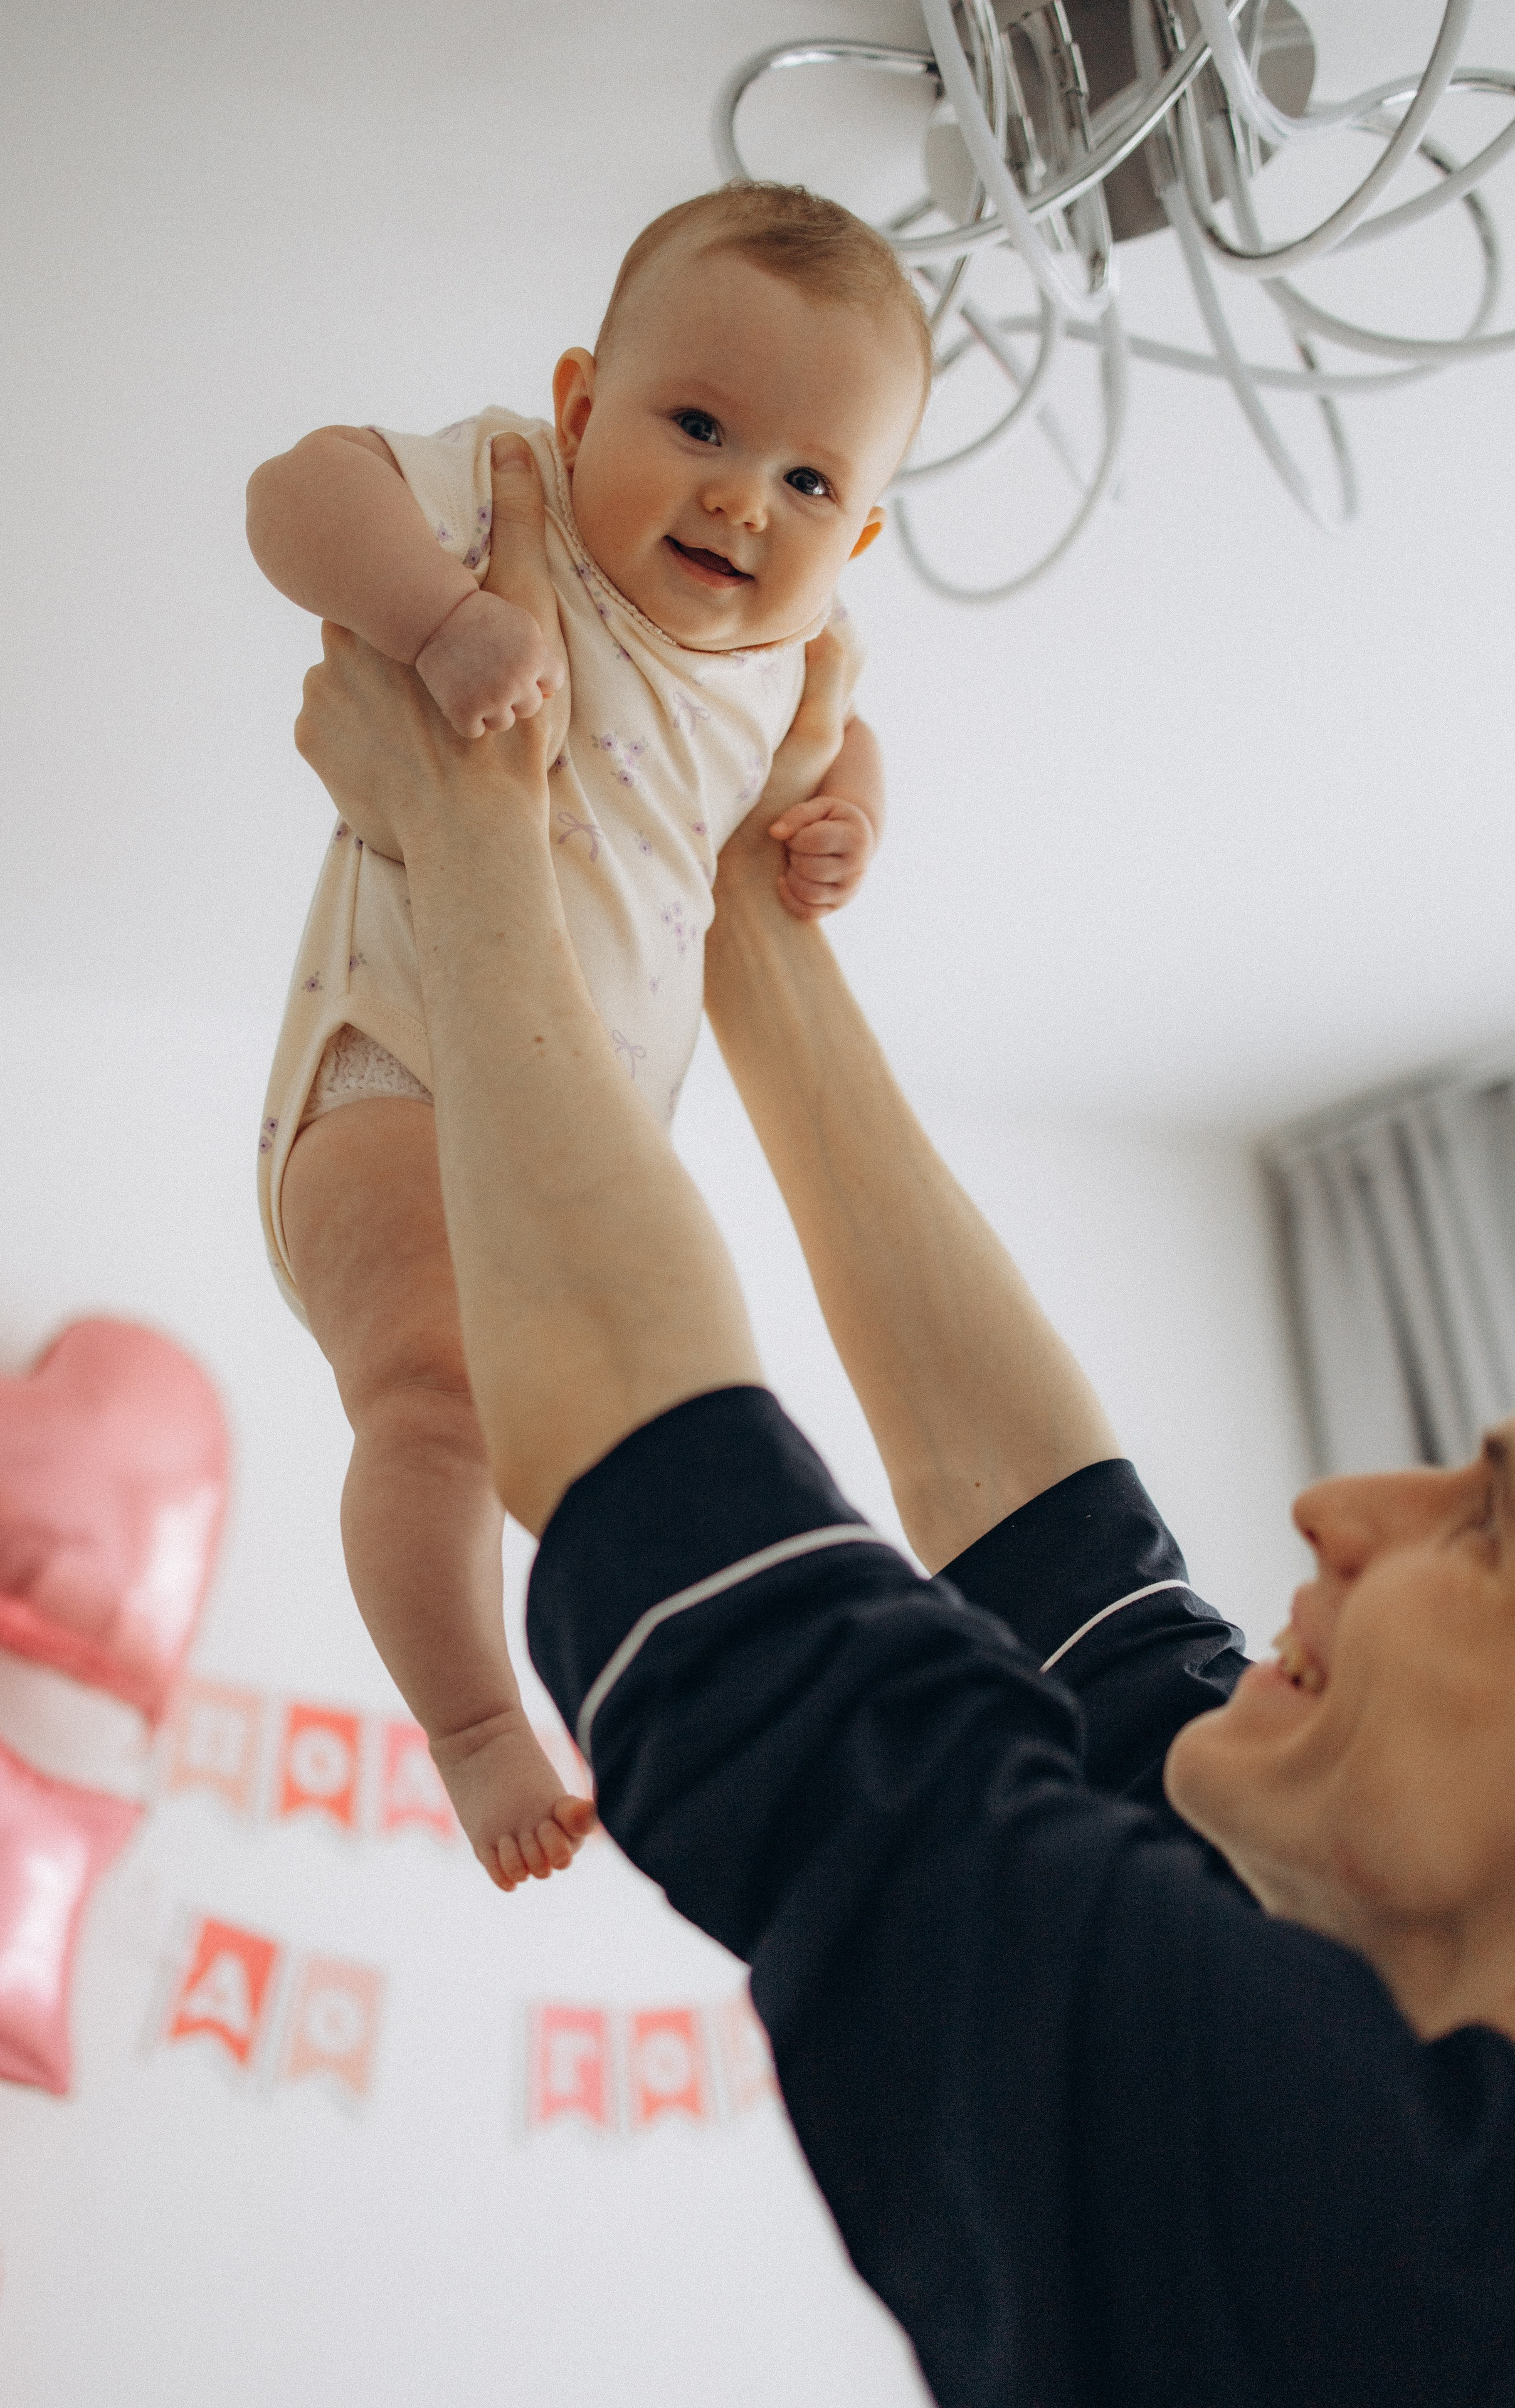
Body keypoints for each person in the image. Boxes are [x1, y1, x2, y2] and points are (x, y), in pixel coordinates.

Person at [291, 439, 1515, 2408]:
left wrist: (474, 843)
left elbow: (735, 1598)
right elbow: (1079, 1582)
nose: (1337, 1501)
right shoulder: (1359, 2027)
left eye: (1484, 1533)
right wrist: (742, 914)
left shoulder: (1375, 2227)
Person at [246, 184, 930, 1886]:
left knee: (578, 1449)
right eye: (698, 422)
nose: (738, 495)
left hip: (570, 1136)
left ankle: (623, 1705)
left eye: (808, 480)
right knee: (429, 1401)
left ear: (857, 540)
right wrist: (439, 617)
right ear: (576, 408)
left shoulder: (797, 665)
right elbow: (290, 494)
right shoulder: (506, 497)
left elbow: (837, 767)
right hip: (396, 1065)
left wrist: (848, 815)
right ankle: (476, 1723)